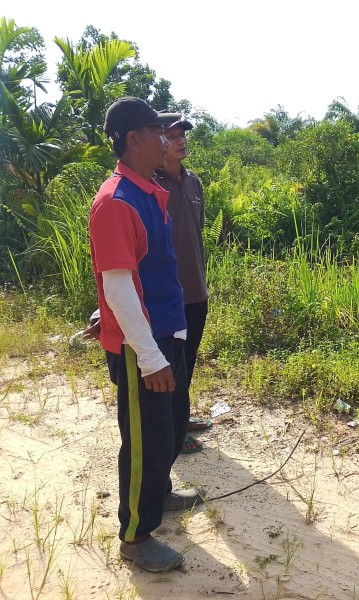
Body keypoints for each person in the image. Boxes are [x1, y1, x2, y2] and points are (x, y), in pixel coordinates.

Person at [89, 97, 203, 573]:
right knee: (143, 440)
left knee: (166, 429)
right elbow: (117, 285)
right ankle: (136, 537)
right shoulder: (117, 201)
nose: (167, 140)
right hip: (144, 348)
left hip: (165, 332)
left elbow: (137, 272)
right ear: (133, 139)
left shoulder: (148, 192)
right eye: (158, 131)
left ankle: (160, 494)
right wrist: (151, 358)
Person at [156, 118, 210, 454]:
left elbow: (198, 231)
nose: (180, 141)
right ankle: (173, 428)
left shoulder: (193, 182)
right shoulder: (151, 184)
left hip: (196, 289)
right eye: (172, 135)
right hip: (167, 292)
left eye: (182, 135)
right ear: (157, 141)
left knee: (188, 359)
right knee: (171, 360)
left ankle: (182, 416)